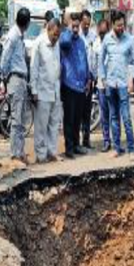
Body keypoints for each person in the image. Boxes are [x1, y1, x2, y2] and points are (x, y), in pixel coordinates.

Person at [100, 10, 134, 160]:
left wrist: (131, 79)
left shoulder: (129, 39)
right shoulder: (107, 40)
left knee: (126, 118)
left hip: (123, 84)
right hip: (110, 84)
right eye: (118, 25)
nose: (121, 28)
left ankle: (131, 149)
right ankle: (117, 148)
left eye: (123, 25)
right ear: (112, 25)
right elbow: (101, 60)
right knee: (114, 118)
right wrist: (103, 78)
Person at [0, 8, 31, 166]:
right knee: (16, 120)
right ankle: (15, 155)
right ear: (26, 23)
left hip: (20, 80)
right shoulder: (13, 36)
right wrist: (5, 77)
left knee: (21, 119)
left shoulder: (19, 35)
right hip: (15, 79)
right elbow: (4, 58)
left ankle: (20, 152)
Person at [31, 19, 63, 164]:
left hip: (55, 90)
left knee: (54, 124)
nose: (56, 38)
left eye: (58, 35)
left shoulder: (57, 44)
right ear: (48, 30)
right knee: (41, 126)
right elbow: (34, 68)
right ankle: (41, 155)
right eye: (54, 34)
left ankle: (52, 152)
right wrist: (34, 90)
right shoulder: (39, 43)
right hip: (42, 91)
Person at [59, 12, 90, 160]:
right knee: (69, 119)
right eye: (74, 26)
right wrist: (70, 32)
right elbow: (64, 43)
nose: (77, 29)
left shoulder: (81, 42)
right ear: (70, 25)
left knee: (78, 118)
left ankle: (77, 145)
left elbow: (84, 60)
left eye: (78, 26)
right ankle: (69, 148)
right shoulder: (66, 37)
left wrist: (88, 78)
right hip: (69, 84)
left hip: (80, 85)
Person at [92, 19, 112, 152]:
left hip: (112, 83)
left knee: (114, 114)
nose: (102, 35)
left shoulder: (113, 41)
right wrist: (93, 78)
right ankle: (106, 140)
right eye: (101, 33)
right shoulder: (96, 43)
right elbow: (94, 62)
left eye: (104, 32)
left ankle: (115, 139)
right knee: (104, 114)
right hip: (101, 84)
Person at [80, 10, 97, 150]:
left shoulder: (93, 36)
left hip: (89, 79)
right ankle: (75, 141)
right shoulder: (76, 35)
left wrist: (92, 77)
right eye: (84, 23)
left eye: (88, 24)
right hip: (77, 80)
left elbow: (94, 57)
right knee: (76, 112)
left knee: (87, 110)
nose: (86, 26)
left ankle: (86, 139)